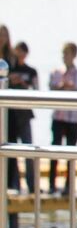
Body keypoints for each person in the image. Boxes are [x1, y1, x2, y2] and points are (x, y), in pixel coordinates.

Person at [48, 42, 77, 195]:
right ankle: (52, 184)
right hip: (58, 117)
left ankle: (68, 186)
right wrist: (61, 86)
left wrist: (70, 87)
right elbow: (51, 88)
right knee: (54, 150)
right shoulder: (55, 72)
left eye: (67, 53)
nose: (65, 57)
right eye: (63, 53)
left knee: (71, 153)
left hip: (73, 119)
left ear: (74, 55)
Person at [6, 42, 37, 194]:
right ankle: (15, 184)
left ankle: (32, 186)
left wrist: (23, 83)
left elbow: (36, 91)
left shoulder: (31, 71)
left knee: (29, 150)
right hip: (11, 115)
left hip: (25, 115)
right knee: (12, 152)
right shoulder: (9, 70)